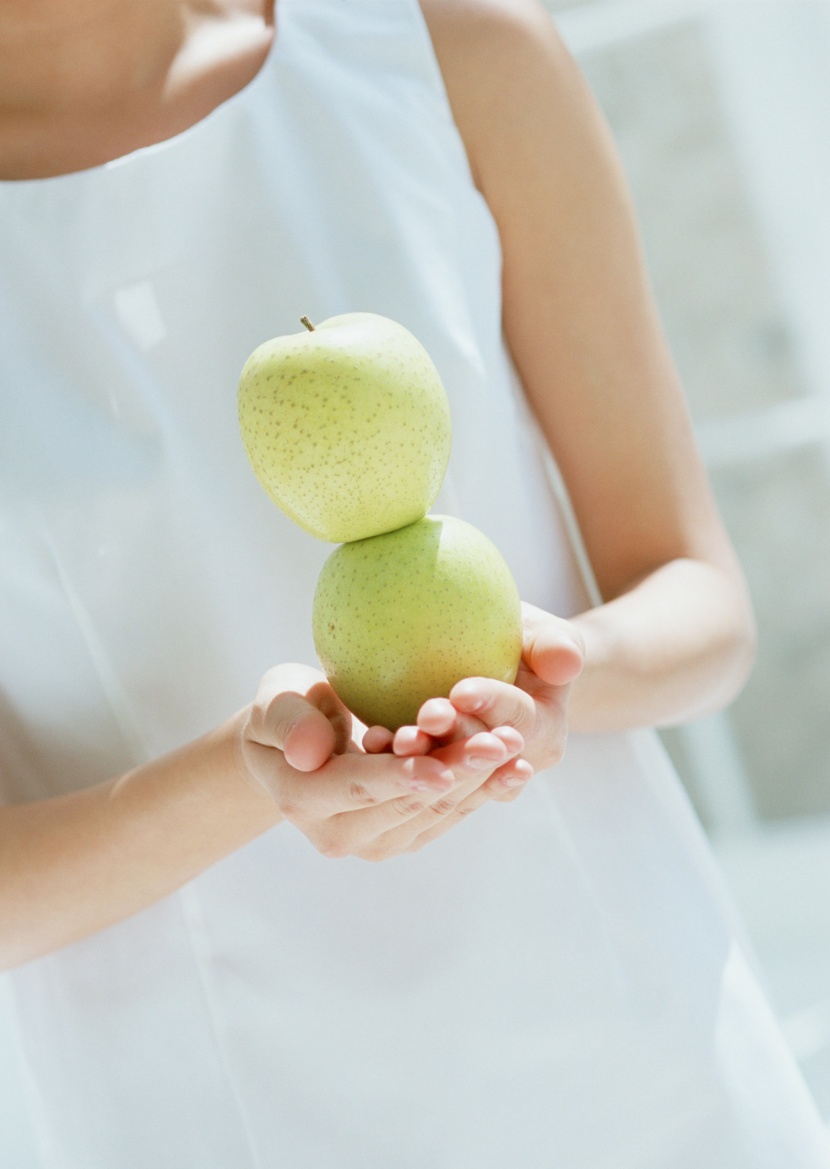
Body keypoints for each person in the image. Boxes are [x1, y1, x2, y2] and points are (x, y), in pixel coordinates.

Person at [0, 0, 827, 1165]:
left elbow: (697, 597)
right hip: (203, 1113)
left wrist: (547, 681)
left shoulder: (447, 41)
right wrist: (254, 775)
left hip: (635, 1059)